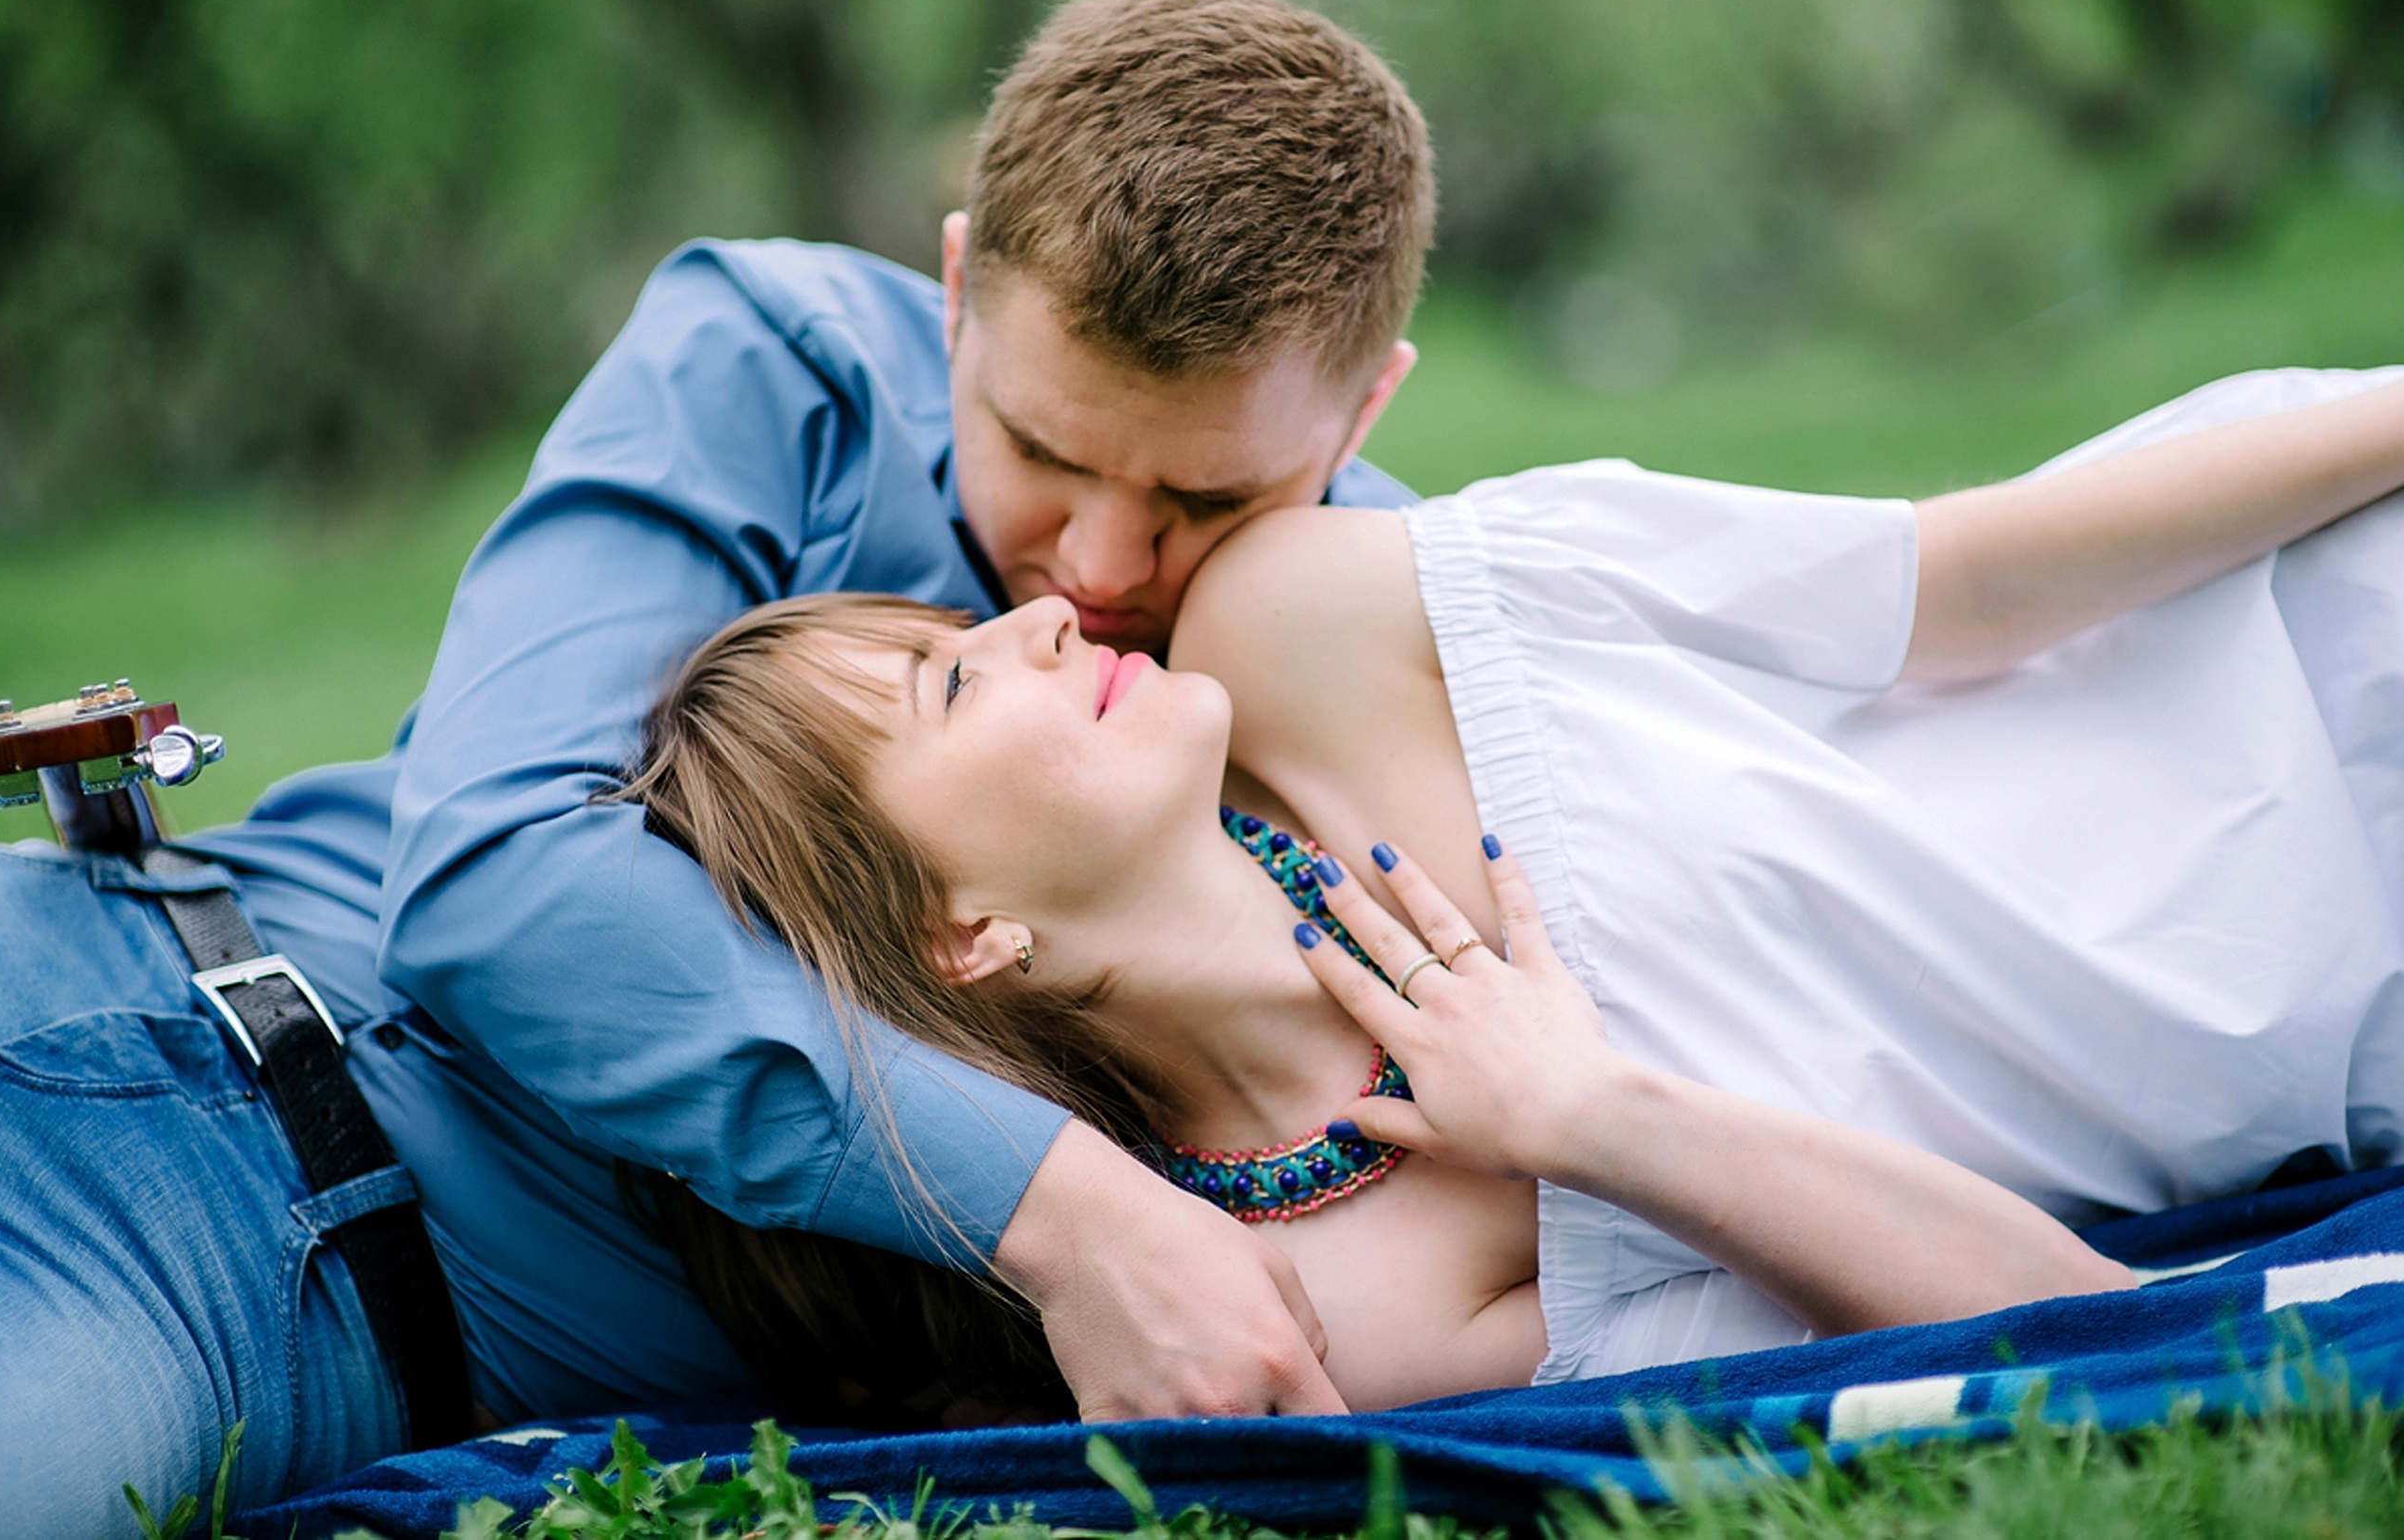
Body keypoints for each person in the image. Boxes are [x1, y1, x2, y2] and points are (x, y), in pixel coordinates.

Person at [0, 0, 1437, 1536]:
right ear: (958, 293)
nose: (1092, 569)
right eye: (1041, 450)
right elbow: (497, 877)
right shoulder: (782, 368)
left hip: (302, 1335)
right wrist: (1067, 1213)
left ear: (1364, 409)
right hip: (167, 1042)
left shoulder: (1379, 637)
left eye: (1205, 503)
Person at [616, 363, 2404, 1410]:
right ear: (965, 935)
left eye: (957, 629)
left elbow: (1951, 585)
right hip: (2341, 1015)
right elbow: (2101, 1326)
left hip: (2309, 628)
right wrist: (1596, 1117)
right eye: (950, 685)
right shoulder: (1340, 1306)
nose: (1037, 615)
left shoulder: (1304, 620)